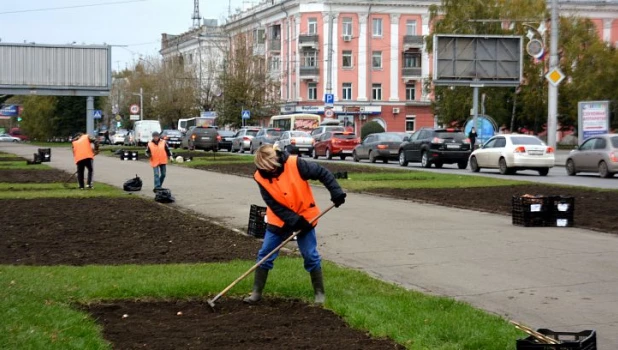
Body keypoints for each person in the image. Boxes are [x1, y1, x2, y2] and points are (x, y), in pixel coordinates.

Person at [245, 144, 347, 305]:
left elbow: (322, 173)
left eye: (271, 168)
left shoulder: (295, 164)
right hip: (278, 220)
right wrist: (295, 221)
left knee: (310, 255)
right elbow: (273, 204)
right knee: (265, 254)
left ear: (275, 160)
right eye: (264, 170)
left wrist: (336, 192)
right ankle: (256, 292)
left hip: (306, 217)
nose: (268, 172)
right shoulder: (259, 176)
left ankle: (319, 294)